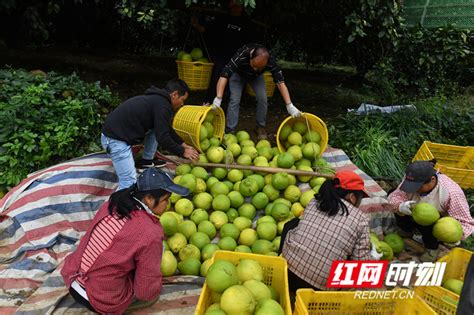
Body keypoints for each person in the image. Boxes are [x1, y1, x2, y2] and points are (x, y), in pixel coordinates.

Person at [61, 168, 190, 314]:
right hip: (101, 297)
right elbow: (145, 292)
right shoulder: (150, 232)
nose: (168, 204)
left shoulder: (114, 202)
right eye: (165, 199)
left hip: (72, 277)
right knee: (148, 291)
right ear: (148, 198)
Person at [280, 170, 375, 292]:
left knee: (291, 224)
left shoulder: (314, 202)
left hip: (288, 272)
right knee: (352, 256)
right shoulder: (360, 219)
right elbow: (362, 267)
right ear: (352, 197)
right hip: (320, 288)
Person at [101, 79, 199, 190]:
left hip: (117, 135)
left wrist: (182, 144)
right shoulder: (163, 106)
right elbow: (163, 138)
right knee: (129, 181)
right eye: (182, 100)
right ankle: (116, 206)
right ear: (174, 94)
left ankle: (146, 161)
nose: (182, 104)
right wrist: (182, 152)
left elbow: (165, 128)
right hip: (115, 140)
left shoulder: (158, 101)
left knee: (155, 128)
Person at [211, 43, 302, 140]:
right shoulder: (241, 55)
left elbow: (280, 82)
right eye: (254, 65)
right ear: (250, 57)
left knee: (263, 98)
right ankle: (230, 129)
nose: (255, 69)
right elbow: (224, 75)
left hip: (256, 78)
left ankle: (260, 127)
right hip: (238, 75)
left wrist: (289, 104)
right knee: (235, 98)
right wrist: (219, 97)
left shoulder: (270, 61)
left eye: (259, 68)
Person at [388, 160, 473, 262]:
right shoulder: (413, 179)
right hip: (413, 210)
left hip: (435, 219)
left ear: (432, 179)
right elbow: (396, 196)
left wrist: (455, 235)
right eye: (411, 186)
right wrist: (400, 206)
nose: (414, 190)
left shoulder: (451, 192)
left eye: (418, 187)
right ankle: (406, 229)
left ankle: (432, 247)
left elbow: (465, 222)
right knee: (392, 193)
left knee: (427, 220)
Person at [191, 0, 252, 103]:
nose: (236, 7)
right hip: (221, 56)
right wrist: (197, 26)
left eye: (238, 5)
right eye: (234, 5)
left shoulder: (246, 22)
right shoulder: (222, 19)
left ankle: (225, 105)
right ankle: (209, 102)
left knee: (234, 82)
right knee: (217, 77)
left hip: (237, 58)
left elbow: (250, 43)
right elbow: (209, 31)